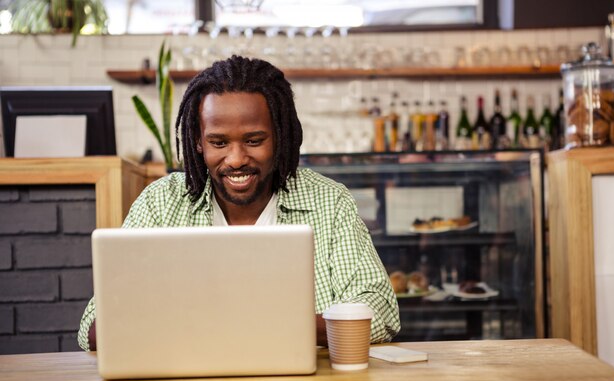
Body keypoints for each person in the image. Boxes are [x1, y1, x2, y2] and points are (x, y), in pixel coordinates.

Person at [78, 55, 400, 351]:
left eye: (253, 141)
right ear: (198, 143)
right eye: (218, 142)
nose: (236, 159)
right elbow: (95, 327)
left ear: (281, 136)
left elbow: (378, 307)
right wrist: (269, 326)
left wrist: (221, 325)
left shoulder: (329, 202)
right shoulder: (161, 203)